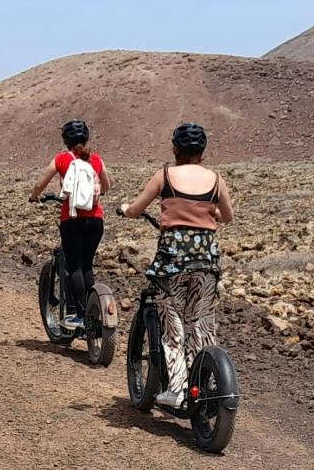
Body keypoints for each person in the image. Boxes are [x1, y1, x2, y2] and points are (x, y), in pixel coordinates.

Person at [116, 122, 235, 404]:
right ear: (203, 152)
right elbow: (227, 216)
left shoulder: (165, 176)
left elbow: (136, 209)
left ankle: (178, 389)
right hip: (206, 259)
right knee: (202, 323)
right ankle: (204, 386)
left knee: (173, 323)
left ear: (175, 149)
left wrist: (125, 210)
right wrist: (209, 211)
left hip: (173, 260)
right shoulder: (216, 180)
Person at [28, 119, 109, 327]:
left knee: (75, 267)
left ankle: (81, 316)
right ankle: (95, 314)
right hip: (95, 220)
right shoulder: (96, 159)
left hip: (72, 220)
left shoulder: (62, 159)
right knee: (87, 267)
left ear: (65, 140)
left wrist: (34, 196)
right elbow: (107, 185)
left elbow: (41, 183)